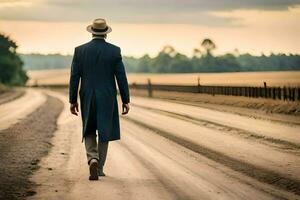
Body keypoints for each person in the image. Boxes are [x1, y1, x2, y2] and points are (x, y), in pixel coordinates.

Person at [69, 18, 130, 180]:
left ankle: (92, 158)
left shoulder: (79, 51)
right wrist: (125, 99)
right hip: (107, 96)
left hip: (87, 95)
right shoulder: (114, 51)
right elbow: (121, 77)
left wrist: (72, 100)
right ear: (106, 34)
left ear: (91, 32)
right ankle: (100, 167)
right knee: (105, 131)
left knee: (89, 129)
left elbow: (74, 77)